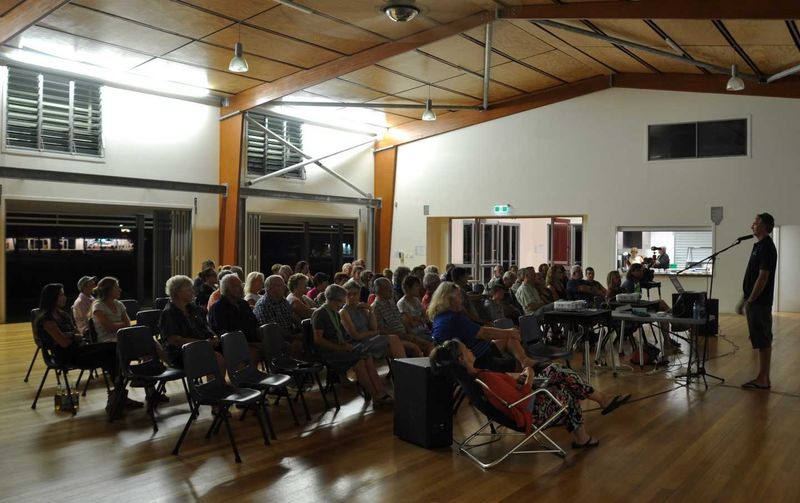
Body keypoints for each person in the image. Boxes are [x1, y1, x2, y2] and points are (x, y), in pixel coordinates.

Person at [430, 340, 630, 448]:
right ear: (461, 358)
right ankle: (584, 434)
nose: (471, 349)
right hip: (530, 411)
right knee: (565, 391)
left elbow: (509, 391)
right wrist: (531, 377)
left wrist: (522, 377)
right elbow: (519, 401)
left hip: (527, 399)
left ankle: (600, 404)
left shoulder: (475, 377)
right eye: (466, 349)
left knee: (557, 370)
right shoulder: (485, 379)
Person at [37, 283, 140, 412]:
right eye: (61, 294)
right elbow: (64, 343)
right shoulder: (46, 320)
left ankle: (119, 392)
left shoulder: (62, 315)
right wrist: (71, 336)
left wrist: (69, 336)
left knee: (114, 349)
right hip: (66, 356)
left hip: (78, 349)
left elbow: (75, 335)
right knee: (113, 354)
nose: (64, 297)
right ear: (53, 297)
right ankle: (120, 393)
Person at [428, 281, 540, 372]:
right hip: (475, 360)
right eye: (458, 297)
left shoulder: (440, 317)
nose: (461, 300)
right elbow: (483, 333)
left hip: (467, 354)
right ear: (449, 300)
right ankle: (526, 372)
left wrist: (508, 333)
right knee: (516, 360)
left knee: (509, 339)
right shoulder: (454, 318)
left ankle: (525, 360)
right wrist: (510, 332)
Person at [312, 285, 393, 406]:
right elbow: (318, 340)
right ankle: (375, 396)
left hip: (341, 347)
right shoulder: (320, 314)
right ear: (334, 300)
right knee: (359, 361)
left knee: (367, 356)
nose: (343, 304)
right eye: (342, 301)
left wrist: (347, 345)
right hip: (328, 352)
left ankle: (380, 392)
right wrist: (342, 347)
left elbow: (342, 335)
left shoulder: (334, 313)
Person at [736, 213, 778, 390]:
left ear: (764, 226)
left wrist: (751, 300)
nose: (751, 226)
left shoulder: (767, 247)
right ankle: (762, 377)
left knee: (763, 339)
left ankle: (763, 379)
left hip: (760, 303)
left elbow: (763, 277)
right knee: (759, 339)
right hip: (753, 301)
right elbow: (753, 277)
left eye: (755, 223)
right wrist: (743, 299)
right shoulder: (758, 246)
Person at [340, 280, 419, 359]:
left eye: (355, 294)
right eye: (348, 295)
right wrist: (372, 332)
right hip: (359, 343)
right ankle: (404, 368)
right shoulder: (344, 311)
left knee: (397, 343)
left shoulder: (362, 308)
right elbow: (356, 336)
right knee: (396, 341)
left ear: (359, 294)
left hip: (370, 339)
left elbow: (373, 327)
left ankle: (402, 368)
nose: (352, 297)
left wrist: (370, 310)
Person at [159, 275, 224, 371]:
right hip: (181, 352)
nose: (193, 292)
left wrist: (213, 337)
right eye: (189, 290)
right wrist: (203, 343)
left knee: (229, 348)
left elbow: (204, 326)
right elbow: (175, 341)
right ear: (178, 292)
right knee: (215, 357)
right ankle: (214, 385)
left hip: (199, 346)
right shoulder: (169, 313)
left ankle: (236, 381)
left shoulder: (192, 308)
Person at [371, 277, 434, 355]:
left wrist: (409, 333)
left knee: (429, 345)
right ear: (378, 290)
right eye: (387, 288)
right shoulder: (375, 307)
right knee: (415, 349)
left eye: (391, 287)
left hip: (405, 334)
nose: (391, 290)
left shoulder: (391, 302)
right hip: (394, 339)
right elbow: (382, 330)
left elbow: (401, 320)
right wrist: (404, 336)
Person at [208, 274, 262, 362]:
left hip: (250, 342)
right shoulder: (218, 308)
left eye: (241, 285)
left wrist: (264, 337)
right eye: (237, 286)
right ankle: (247, 375)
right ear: (226, 289)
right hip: (231, 345)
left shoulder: (243, 304)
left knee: (275, 344)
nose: (241, 289)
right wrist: (251, 344)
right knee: (253, 352)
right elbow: (223, 335)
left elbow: (255, 324)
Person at [254, 275, 303, 357]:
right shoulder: (264, 304)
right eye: (281, 285)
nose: (285, 288)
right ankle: (289, 367)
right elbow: (273, 329)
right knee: (295, 345)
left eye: (284, 285)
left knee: (310, 337)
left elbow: (293, 317)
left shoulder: (283, 300)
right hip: (274, 339)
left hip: (289, 334)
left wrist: (303, 331)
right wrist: (293, 337)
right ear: (271, 288)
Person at [91, 277, 130, 343]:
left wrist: (114, 324)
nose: (120, 290)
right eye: (117, 287)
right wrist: (123, 324)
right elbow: (109, 328)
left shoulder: (119, 304)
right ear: (109, 290)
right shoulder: (98, 306)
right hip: (106, 341)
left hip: (121, 336)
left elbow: (128, 323)